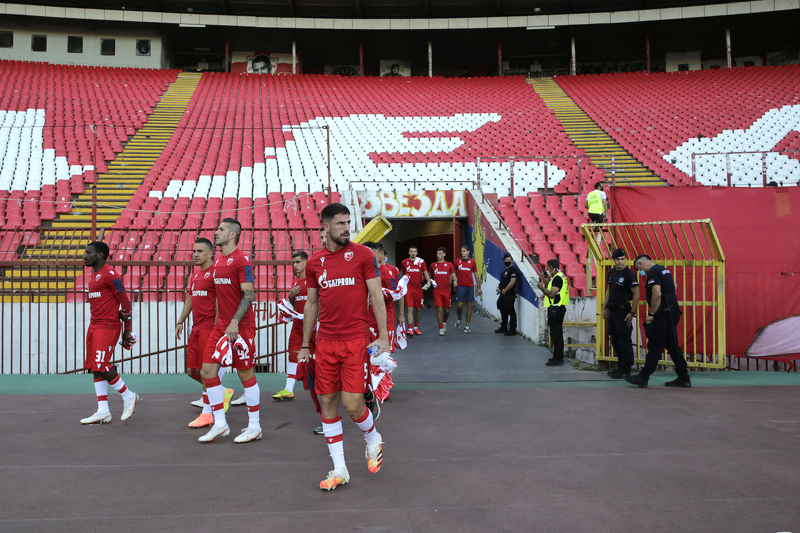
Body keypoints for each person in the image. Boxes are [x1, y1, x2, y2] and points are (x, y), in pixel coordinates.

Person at [298, 203, 390, 491]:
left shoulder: (362, 254)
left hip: (355, 340)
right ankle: (339, 469)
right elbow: (312, 303)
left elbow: (376, 295)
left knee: (352, 404)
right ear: (325, 227)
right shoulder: (314, 262)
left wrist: (384, 337)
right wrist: (304, 343)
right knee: (327, 403)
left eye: (348, 222)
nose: (346, 228)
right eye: (340, 223)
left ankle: (372, 438)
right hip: (325, 342)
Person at [197, 218, 263, 443]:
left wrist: (234, 321)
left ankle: (254, 426)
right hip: (220, 328)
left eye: (220, 229)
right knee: (207, 372)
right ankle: (220, 423)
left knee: (246, 375)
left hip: (241, 328)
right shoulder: (218, 261)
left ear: (232, 235)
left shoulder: (242, 260)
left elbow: (249, 294)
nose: (216, 232)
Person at [79, 242, 140, 425]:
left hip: (108, 327)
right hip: (94, 326)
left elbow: (126, 304)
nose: (85, 255)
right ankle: (103, 411)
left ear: (100, 255)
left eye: (89, 253)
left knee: (101, 364)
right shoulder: (94, 275)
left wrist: (127, 331)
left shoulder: (110, 275)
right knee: (95, 367)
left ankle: (128, 396)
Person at [176, 238, 234, 428]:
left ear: (211, 253)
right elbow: (190, 300)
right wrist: (181, 321)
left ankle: (207, 413)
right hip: (196, 328)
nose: (195, 254)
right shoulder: (194, 276)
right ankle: (221, 391)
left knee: (206, 371)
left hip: (210, 328)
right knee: (191, 371)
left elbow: (220, 302)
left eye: (200, 251)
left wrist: (219, 328)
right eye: (194, 251)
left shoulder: (215, 274)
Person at [625, 255, 692, 389]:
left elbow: (657, 293)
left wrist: (652, 313)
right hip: (672, 311)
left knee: (655, 345)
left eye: (639, 269)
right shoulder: (664, 270)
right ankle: (684, 377)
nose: (640, 272)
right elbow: (674, 285)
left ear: (640, 264)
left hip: (663, 314)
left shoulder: (653, 272)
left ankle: (643, 377)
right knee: (673, 346)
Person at [273, 251, 315, 401]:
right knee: (293, 355)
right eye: (294, 263)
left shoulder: (313, 280)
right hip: (298, 325)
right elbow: (295, 304)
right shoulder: (295, 282)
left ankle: (328, 385)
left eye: (298, 262)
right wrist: (290, 296)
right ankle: (288, 389)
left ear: (306, 263)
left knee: (320, 356)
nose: (295, 265)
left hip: (314, 325)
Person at [601, 249, 640, 379]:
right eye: (618, 259)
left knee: (624, 339)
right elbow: (609, 291)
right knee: (615, 338)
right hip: (613, 309)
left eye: (622, 259)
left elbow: (637, 295)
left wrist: (632, 312)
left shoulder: (629, 274)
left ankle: (626, 368)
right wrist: (604, 307)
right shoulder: (612, 272)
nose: (620, 262)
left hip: (623, 310)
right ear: (614, 260)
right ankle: (621, 366)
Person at [537, 259, 570, 366]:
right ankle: (557, 356)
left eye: (548, 268)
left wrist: (541, 288)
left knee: (556, 335)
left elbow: (552, 294)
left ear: (552, 268)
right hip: (558, 308)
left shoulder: (557, 279)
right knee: (556, 334)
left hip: (556, 309)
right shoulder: (559, 277)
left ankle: (558, 358)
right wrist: (546, 281)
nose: (547, 270)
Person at [400, 245, 431, 336]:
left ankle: (416, 328)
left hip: (418, 289)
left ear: (417, 253)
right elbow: (401, 274)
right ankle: (410, 329)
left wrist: (428, 282)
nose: (413, 253)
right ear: (409, 252)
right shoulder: (404, 262)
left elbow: (426, 272)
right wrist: (400, 285)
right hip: (408, 289)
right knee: (409, 308)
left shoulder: (421, 262)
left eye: (414, 251)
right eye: (411, 251)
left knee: (418, 308)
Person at [454, 245, 481, 333]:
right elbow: (453, 273)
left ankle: (467, 325)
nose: (462, 252)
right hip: (460, 286)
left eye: (464, 251)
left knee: (469, 304)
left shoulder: (472, 262)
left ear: (468, 252)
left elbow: (476, 274)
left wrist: (479, 288)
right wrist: (454, 282)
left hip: (470, 286)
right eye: (461, 251)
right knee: (460, 305)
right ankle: (459, 317)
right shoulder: (457, 261)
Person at [429, 247, 456, 336]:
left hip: (446, 291)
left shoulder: (449, 265)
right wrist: (429, 282)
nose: (438, 255)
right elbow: (428, 276)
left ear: (444, 254)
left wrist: (455, 281)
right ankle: (441, 328)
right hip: (437, 291)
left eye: (440, 253)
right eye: (437, 253)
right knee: (439, 309)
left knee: (447, 311)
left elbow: (453, 275)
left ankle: (444, 322)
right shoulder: (433, 265)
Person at [495, 252, 522, 336]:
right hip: (503, 294)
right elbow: (503, 281)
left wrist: (505, 290)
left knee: (511, 311)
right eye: (506, 260)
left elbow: (512, 282)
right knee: (502, 309)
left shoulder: (513, 270)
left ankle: (512, 328)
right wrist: (499, 287)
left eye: (508, 260)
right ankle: (504, 326)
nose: (507, 261)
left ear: (512, 260)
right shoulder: (505, 271)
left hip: (509, 294)